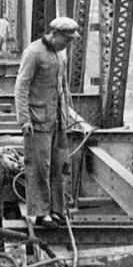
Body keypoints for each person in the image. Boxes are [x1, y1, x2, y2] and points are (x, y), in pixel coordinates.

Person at [14, 17, 78, 227]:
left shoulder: (60, 54)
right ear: (55, 34)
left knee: (59, 165)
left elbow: (63, 86)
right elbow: (21, 87)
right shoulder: (33, 53)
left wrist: (67, 112)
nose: (67, 45)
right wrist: (24, 119)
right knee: (39, 167)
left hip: (57, 119)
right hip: (37, 120)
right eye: (65, 41)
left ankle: (57, 209)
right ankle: (41, 213)